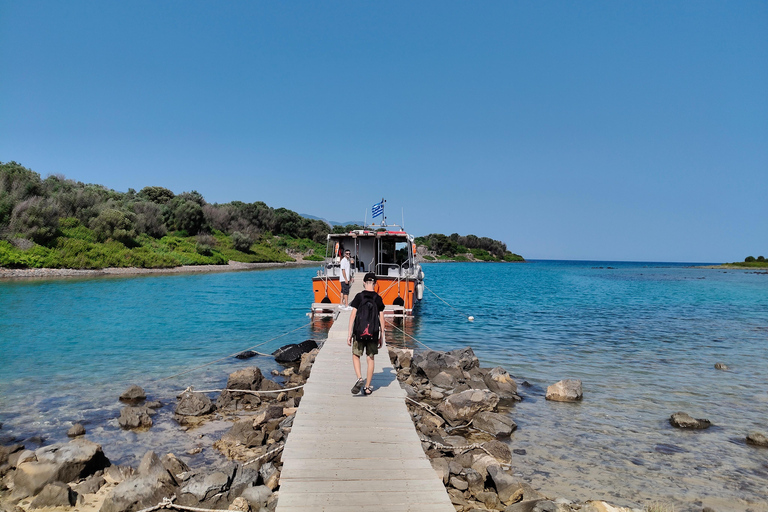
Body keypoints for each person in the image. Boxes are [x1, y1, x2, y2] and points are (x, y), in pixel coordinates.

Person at [347, 272, 385, 395]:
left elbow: (353, 316)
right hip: (373, 333)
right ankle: (367, 387)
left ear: (364, 282)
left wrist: (349, 334)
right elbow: (381, 318)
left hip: (359, 332)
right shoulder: (378, 298)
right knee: (370, 358)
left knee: (356, 355)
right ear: (375, 283)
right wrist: (381, 336)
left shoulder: (359, 297)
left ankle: (359, 378)